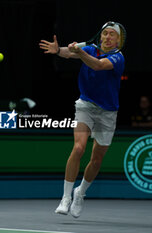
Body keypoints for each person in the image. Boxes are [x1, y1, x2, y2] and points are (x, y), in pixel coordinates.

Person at [39, 22, 125, 218]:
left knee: (96, 159)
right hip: (85, 105)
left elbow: (97, 65)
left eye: (113, 35)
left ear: (118, 40)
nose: (108, 37)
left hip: (108, 112)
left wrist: (79, 51)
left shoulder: (118, 58)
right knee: (78, 148)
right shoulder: (89, 49)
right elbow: (67, 53)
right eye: (105, 33)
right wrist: (57, 50)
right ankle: (66, 197)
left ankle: (81, 193)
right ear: (100, 36)